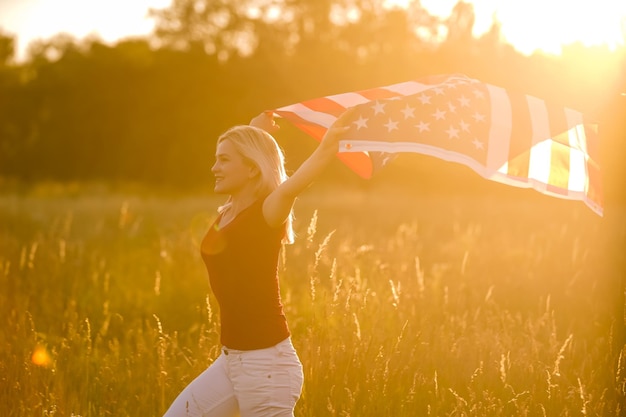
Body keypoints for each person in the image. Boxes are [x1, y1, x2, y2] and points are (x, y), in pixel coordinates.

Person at [163, 111, 350, 417]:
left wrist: (327, 147)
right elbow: (253, 159)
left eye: (223, 160)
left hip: (267, 368)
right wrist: (254, 133)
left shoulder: (267, 213)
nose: (214, 167)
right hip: (233, 362)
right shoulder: (231, 210)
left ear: (251, 169)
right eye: (217, 159)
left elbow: (296, 183)